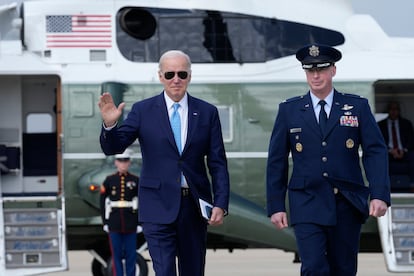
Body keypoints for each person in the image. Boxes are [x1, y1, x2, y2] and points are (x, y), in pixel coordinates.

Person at [98, 50, 230, 276]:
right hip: (156, 205)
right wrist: (110, 126)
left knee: (193, 271)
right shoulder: (143, 110)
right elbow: (114, 148)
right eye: (169, 74)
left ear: (189, 76)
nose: (175, 79)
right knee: (165, 270)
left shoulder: (207, 112)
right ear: (160, 76)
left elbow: (217, 163)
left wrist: (220, 203)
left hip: (194, 206)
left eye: (181, 73)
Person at [266, 44, 391, 276]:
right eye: (310, 70)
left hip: (347, 202)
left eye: (321, 69)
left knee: (343, 269)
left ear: (333, 70)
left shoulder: (356, 107)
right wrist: (275, 205)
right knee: (313, 267)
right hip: (307, 202)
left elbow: (375, 151)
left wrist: (379, 194)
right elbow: (276, 160)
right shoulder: (289, 110)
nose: (315, 76)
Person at [100, 149, 140, 276]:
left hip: (131, 223)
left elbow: (141, 203)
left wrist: (140, 222)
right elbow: (102, 203)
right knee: (116, 254)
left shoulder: (135, 180)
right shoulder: (109, 180)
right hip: (114, 223)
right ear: (116, 162)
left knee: (131, 255)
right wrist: (105, 222)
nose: (123, 164)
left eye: (126, 161)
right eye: (120, 161)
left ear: (129, 163)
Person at [378, 101, 414, 188]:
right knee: (380, 157)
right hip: (388, 152)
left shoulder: (406, 124)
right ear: (388, 110)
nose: (393, 111)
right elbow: (379, 141)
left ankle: (412, 185)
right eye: (391, 109)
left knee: (413, 156)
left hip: (404, 152)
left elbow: (411, 140)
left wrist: (403, 150)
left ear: (399, 110)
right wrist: (390, 150)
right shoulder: (380, 125)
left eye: (396, 109)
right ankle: (383, 186)